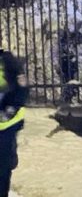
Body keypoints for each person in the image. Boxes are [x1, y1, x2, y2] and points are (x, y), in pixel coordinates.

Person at [0, 49, 26, 197]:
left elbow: (21, 89)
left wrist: (9, 111)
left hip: (6, 126)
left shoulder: (8, 61)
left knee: (2, 169)